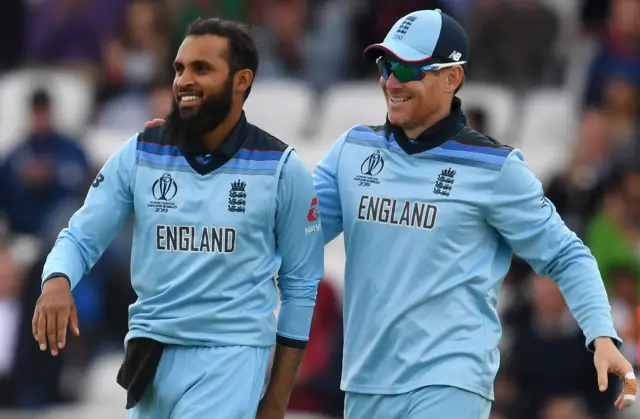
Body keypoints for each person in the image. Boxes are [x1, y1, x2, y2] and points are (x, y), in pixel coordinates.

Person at [311, 9, 637, 418]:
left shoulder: (495, 168)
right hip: (365, 381)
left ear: (452, 77)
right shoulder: (351, 150)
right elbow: (292, 234)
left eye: (409, 68)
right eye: (386, 64)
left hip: (450, 382)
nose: (391, 81)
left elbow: (566, 255)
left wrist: (602, 335)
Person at [32, 17, 324, 419]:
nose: (184, 80)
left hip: (230, 356)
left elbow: (301, 287)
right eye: (179, 69)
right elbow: (81, 236)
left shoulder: (281, 169)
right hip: (150, 352)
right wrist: (57, 280)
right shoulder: (142, 152)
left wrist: (276, 398)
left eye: (201, 69)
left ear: (241, 80)